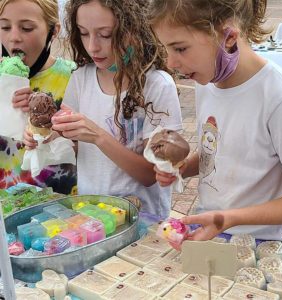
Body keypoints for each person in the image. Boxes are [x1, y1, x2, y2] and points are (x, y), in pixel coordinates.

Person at [148, 0, 282, 241]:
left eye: (180, 49)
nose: (170, 63)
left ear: (228, 36)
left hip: (261, 244)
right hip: (213, 230)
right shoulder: (207, 80)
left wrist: (230, 218)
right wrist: (184, 168)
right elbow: (219, 150)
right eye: (167, 49)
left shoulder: (281, 98)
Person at [47, 0, 182, 218]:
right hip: (90, 216)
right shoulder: (81, 79)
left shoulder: (157, 85)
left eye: (106, 34)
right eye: (83, 33)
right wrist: (47, 138)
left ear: (134, 29)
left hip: (141, 221)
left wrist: (99, 136)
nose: (92, 46)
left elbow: (151, 174)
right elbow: (74, 149)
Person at [0, 0, 77, 194]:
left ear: (53, 31)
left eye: (26, 28)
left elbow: (90, 149)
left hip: (58, 207)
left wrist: (47, 121)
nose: (14, 37)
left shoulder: (74, 77)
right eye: (4, 27)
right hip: (6, 204)